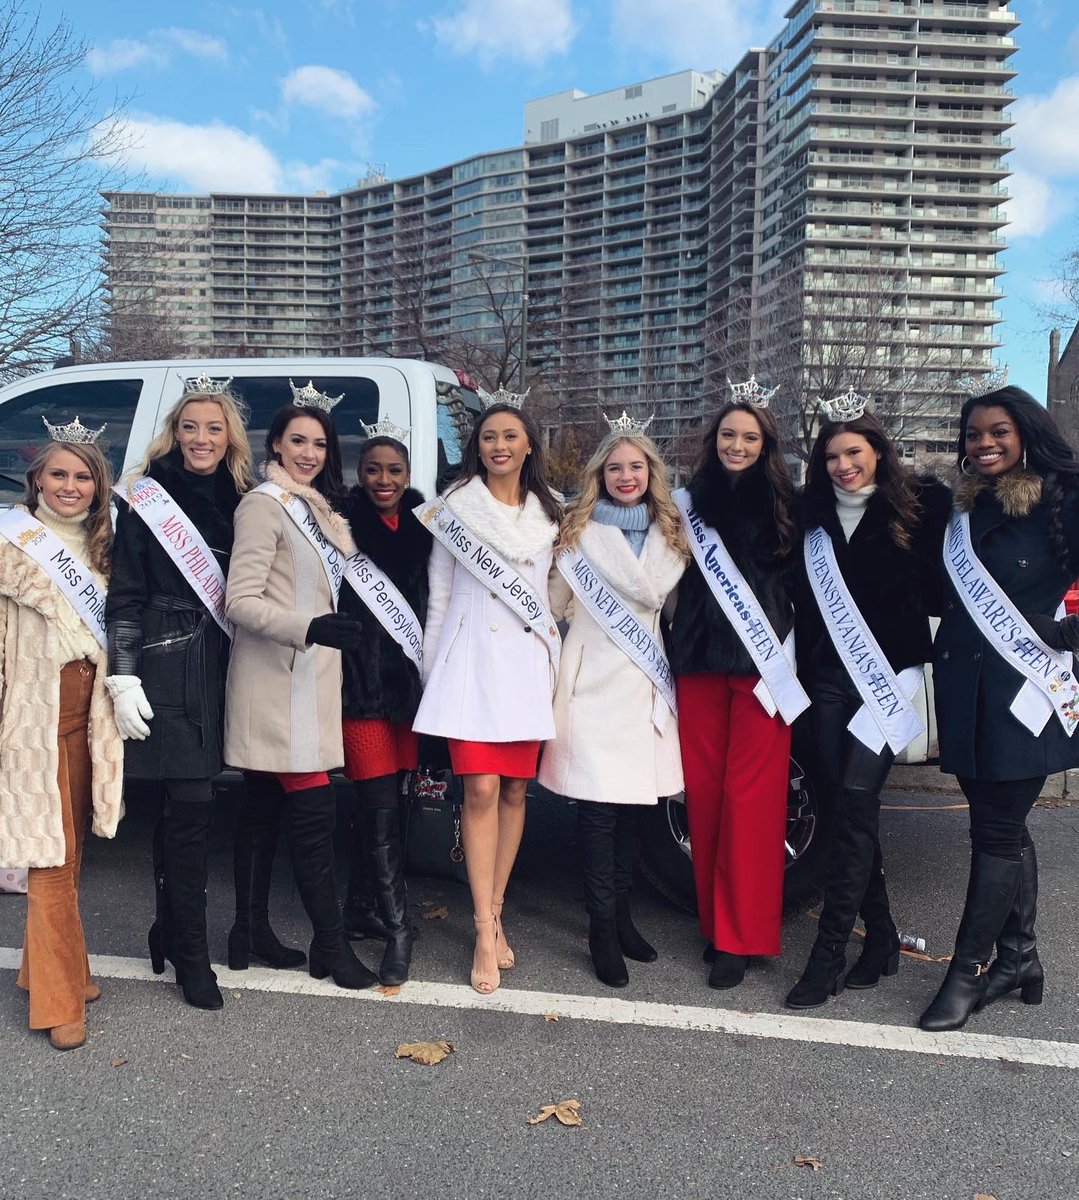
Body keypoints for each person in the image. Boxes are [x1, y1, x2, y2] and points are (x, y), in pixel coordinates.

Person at [920, 386, 1079, 1031]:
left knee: (993, 832)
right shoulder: (961, 509)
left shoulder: (1064, 499)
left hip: (1025, 693)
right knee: (1001, 828)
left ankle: (969, 972)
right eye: (973, 434)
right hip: (963, 687)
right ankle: (1019, 957)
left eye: (998, 432)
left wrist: (1062, 634)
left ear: (1026, 435)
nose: (983, 443)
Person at [786, 401, 950, 1010]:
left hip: (888, 675)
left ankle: (828, 954)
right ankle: (879, 938)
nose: (843, 465)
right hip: (827, 678)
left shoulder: (921, 508)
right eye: (831, 456)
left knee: (856, 799)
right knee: (843, 809)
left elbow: (944, 583)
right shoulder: (808, 516)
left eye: (853, 452)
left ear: (878, 451)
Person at [106, 381, 255, 1011]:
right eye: (190, 427)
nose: (201, 439)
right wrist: (124, 673)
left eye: (213, 429)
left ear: (230, 439)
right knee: (189, 806)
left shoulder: (246, 499)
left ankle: (168, 927)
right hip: (167, 666)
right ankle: (192, 955)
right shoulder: (147, 501)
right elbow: (127, 593)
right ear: (175, 432)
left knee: (190, 810)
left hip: (227, 663)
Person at [224, 386, 378, 991]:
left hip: (309, 679)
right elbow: (241, 601)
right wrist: (307, 627)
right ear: (276, 446)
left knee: (261, 807)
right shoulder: (264, 506)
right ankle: (331, 947)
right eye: (298, 441)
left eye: (319, 443)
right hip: (275, 680)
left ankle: (248, 930)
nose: (309, 452)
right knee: (313, 812)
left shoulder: (313, 507)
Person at [412, 401, 561, 995]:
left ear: (529, 446)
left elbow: (552, 597)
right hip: (470, 666)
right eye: (490, 436)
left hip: (524, 669)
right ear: (478, 446)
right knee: (479, 789)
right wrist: (434, 673)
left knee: (517, 790)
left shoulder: (550, 516)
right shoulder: (455, 511)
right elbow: (439, 599)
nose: (500, 445)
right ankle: (480, 927)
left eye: (511, 436)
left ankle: (496, 910)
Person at [539, 420, 687, 987]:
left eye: (636, 467)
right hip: (591, 682)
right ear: (599, 476)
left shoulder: (671, 536)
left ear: (651, 474)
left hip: (646, 686)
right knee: (598, 814)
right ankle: (601, 927)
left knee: (635, 810)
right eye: (615, 468)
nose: (626, 477)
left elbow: (674, 616)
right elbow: (551, 606)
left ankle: (622, 916)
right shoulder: (576, 535)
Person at [667, 390, 801, 990]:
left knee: (754, 801)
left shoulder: (789, 505)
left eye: (749, 438)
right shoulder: (686, 504)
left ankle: (741, 937)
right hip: (697, 660)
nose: (737, 446)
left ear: (765, 445)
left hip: (761, 669)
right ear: (713, 441)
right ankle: (715, 924)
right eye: (728, 436)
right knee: (706, 797)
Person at [0, 425, 123, 1050]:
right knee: (50, 858)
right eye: (58, 475)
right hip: (32, 716)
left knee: (70, 853)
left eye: (82, 477)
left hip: (88, 717)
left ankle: (43, 968)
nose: (69, 487)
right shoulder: (11, 546)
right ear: (37, 481)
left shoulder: (105, 548)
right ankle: (58, 999)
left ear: (97, 487)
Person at [338, 425, 431, 985]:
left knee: (396, 802)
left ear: (408, 477)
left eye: (394, 471)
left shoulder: (426, 528)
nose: (383, 480)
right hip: (361, 684)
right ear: (359, 474)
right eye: (373, 469)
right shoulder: (342, 528)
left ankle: (361, 909)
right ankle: (397, 932)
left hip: (411, 688)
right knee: (376, 803)